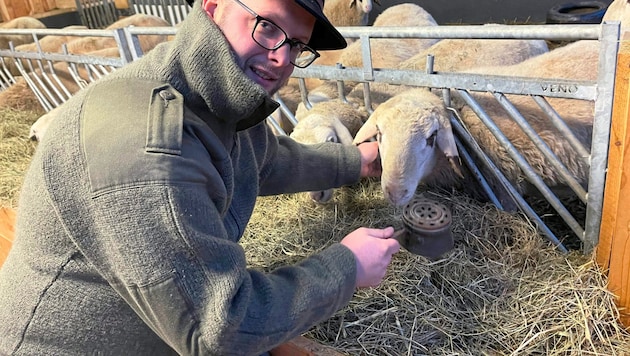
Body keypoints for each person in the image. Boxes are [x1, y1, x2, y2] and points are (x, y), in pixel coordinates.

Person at [0, 0, 401, 354]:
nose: (282, 58)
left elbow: (265, 160)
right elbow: (218, 330)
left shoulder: (212, 95)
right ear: (213, 6)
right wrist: (346, 268)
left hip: (156, 327)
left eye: (296, 44)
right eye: (267, 27)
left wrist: (357, 162)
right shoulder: (147, 146)